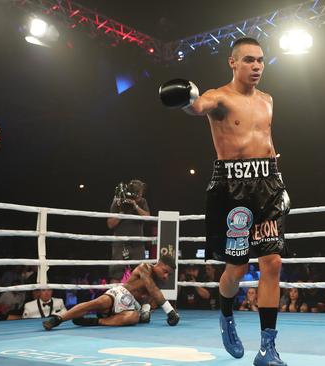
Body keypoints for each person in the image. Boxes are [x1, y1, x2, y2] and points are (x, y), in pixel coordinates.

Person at [160, 37, 290, 366]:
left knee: (272, 262)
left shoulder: (268, 100)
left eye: (260, 60)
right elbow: (197, 106)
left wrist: (279, 179)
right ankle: (227, 316)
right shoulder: (219, 97)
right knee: (237, 269)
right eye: (248, 60)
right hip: (231, 188)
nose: (257, 66)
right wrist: (188, 96)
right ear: (233, 63)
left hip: (268, 184)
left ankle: (267, 349)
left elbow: (267, 141)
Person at [42, 255, 179, 330]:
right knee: (98, 302)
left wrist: (146, 311)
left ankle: (96, 321)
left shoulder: (159, 283)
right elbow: (152, 289)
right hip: (120, 294)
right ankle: (58, 319)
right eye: (165, 271)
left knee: (134, 318)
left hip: (132, 308)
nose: (166, 276)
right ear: (159, 264)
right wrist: (170, 311)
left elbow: (151, 298)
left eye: (169, 275)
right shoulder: (145, 268)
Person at [107, 179, 151, 281]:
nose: (141, 195)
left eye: (141, 193)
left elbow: (148, 217)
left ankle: (135, 297)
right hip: (120, 243)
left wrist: (135, 206)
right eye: (139, 193)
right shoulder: (118, 200)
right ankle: (114, 296)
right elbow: (110, 224)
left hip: (137, 244)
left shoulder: (142, 202)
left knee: (139, 274)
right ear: (134, 193)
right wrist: (122, 212)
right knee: (116, 274)